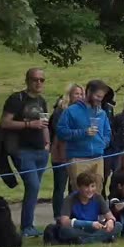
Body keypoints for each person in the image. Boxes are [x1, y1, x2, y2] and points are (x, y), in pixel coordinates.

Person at [0, 67, 51, 237]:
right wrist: (28, 125)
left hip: (40, 151)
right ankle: (27, 227)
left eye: (42, 80)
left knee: (34, 189)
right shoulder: (16, 99)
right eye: (35, 79)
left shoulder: (42, 101)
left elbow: (44, 123)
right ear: (28, 80)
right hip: (22, 150)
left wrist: (47, 142)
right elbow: (5, 123)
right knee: (33, 186)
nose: (38, 83)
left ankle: (29, 226)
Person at [56, 79, 113, 188]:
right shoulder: (71, 111)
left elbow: (107, 132)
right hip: (78, 157)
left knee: (97, 193)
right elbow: (61, 132)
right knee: (80, 193)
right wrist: (83, 132)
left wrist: (103, 143)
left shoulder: (102, 113)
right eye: (97, 96)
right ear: (89, 92)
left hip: (98, 157)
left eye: (102, 97)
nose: (100, 100)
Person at [49, 171, 118, 245]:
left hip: (93, 228)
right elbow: (64, 221)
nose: (90, 190)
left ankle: (84, 240)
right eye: (86, 187)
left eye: (92, 186)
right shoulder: (70, 199)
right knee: (65, 230)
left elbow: (110, 216)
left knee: (117, 225)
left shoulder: (98, 198)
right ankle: (100, 238)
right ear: (79, 187)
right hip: (77, 228)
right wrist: (89, 224)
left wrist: (110, 221)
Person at [49, 83, 84, 220]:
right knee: (60, 186)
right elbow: (60, 132)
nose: (80, 97)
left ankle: (73, 214)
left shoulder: (83, 111)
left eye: (82, 94)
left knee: (75, 185)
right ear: (69, 95)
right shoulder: (60, 111)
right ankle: (58, 216)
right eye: (77, 94)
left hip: (77, 154)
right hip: (61, 154)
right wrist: (80, 132)